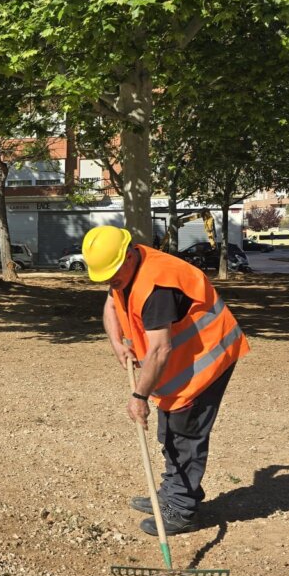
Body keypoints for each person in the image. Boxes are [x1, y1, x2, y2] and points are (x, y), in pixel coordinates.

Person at [83, 226, 250, 537]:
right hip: (178, 362)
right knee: (170, 428)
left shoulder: (157, 287)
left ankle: (182, 509)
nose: (110, 282)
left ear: (130, 255)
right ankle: (172, 493)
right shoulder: (125, 272)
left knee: (186, 433)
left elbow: (161, 348)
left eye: (113, 275)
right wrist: (117, 343)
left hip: (206, 359)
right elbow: (111, 304)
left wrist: (139, 397)